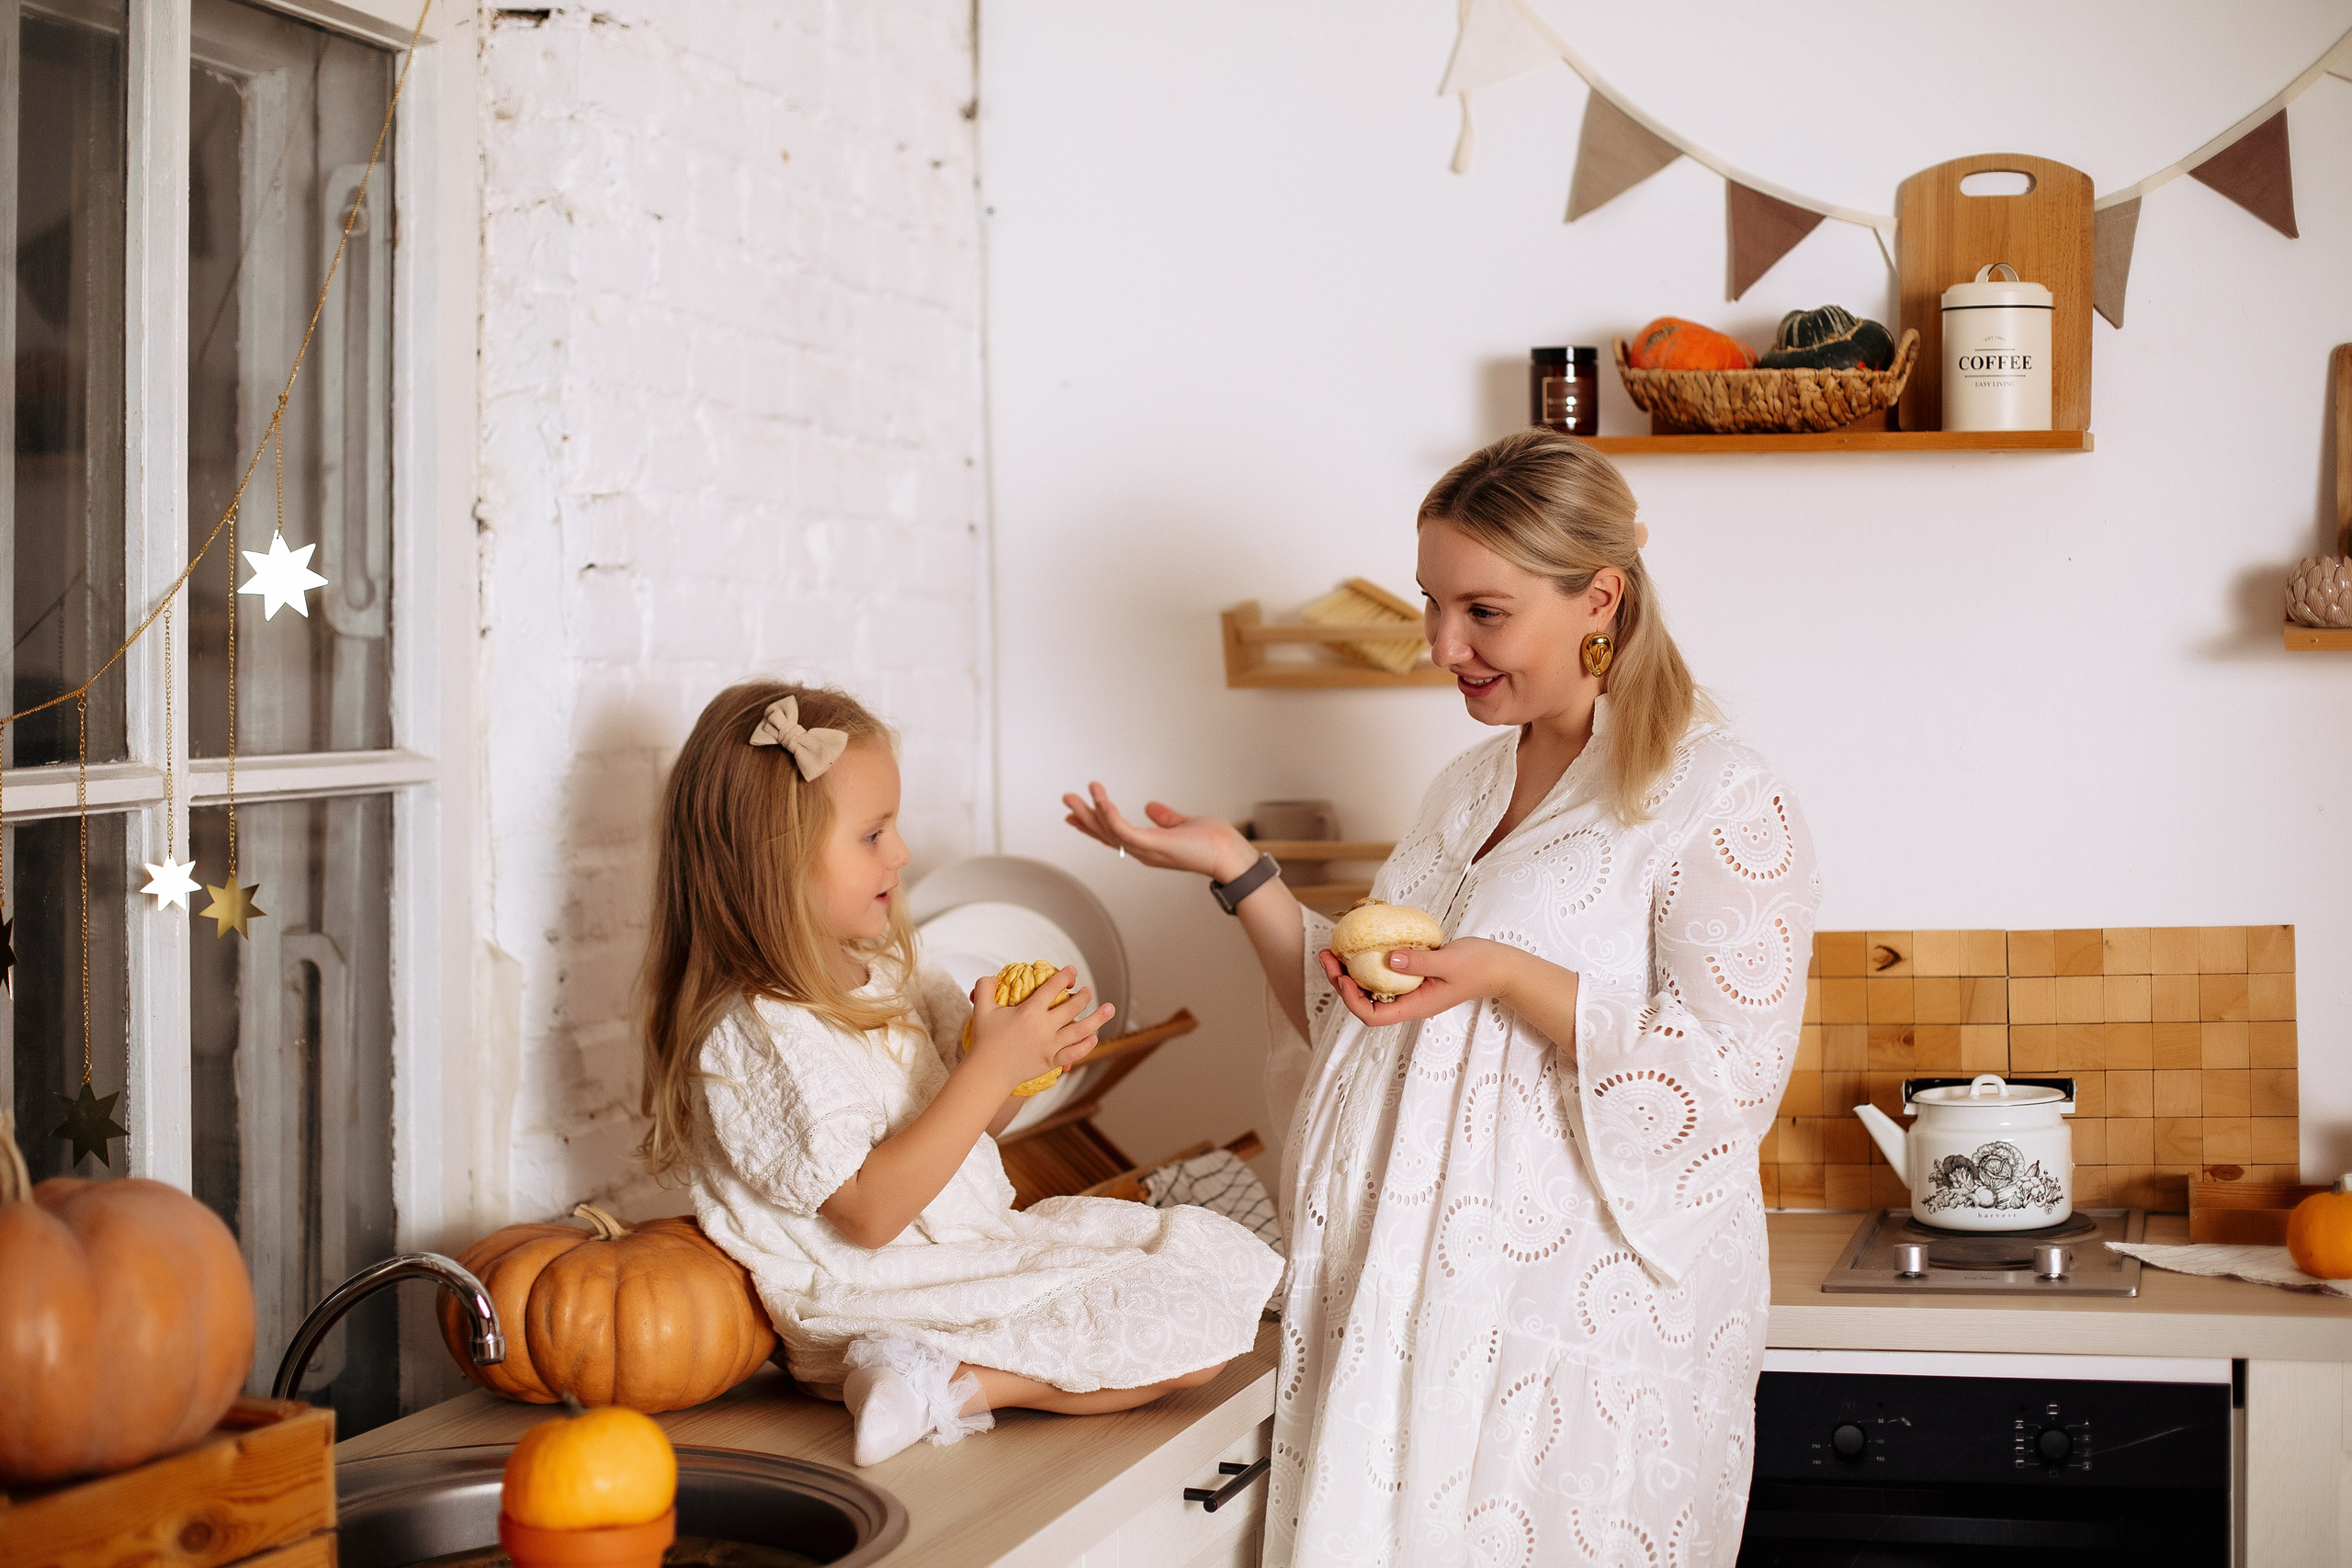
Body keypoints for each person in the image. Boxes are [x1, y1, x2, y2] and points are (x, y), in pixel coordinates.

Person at [1065, 430, 1819, 1564]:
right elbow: (1363, 1024)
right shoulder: (1466, 786)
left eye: (1482, 611)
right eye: (1430, 604)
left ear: (1598, 598)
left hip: (1567, 1324)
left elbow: (1727, 1078)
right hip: (1400, 1298)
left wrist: (1512, 976)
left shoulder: (1713, 795)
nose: (1439, 645)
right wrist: (1238, 872)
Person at [641, 680, 1282, 1467]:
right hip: (870, 1297)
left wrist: (1016, 1067)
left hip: (968, 1251)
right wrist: (987, 1069)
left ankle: (938, 1382)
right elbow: (869, 1215)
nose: (901, 853)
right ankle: (946, 1384)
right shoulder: (757, 1028)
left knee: (1201, 1292)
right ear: (773, 864)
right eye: (873, 834)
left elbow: (974, 1133)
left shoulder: (890, 969)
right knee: (1178, 1342)